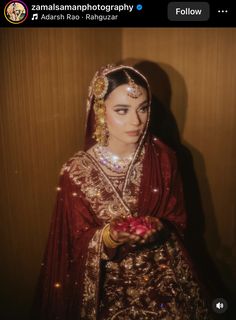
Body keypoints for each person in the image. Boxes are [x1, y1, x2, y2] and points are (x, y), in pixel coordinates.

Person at [33, 64, 211, 319]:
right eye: (122, 110)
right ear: (100, 111)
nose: (136, 121)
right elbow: (72, 243)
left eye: (143, 108)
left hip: (166, 277)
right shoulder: (76, 171)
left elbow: (179, 219)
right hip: (107, 287)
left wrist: (159, 228)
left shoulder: (163, 157)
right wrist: (109, 237)